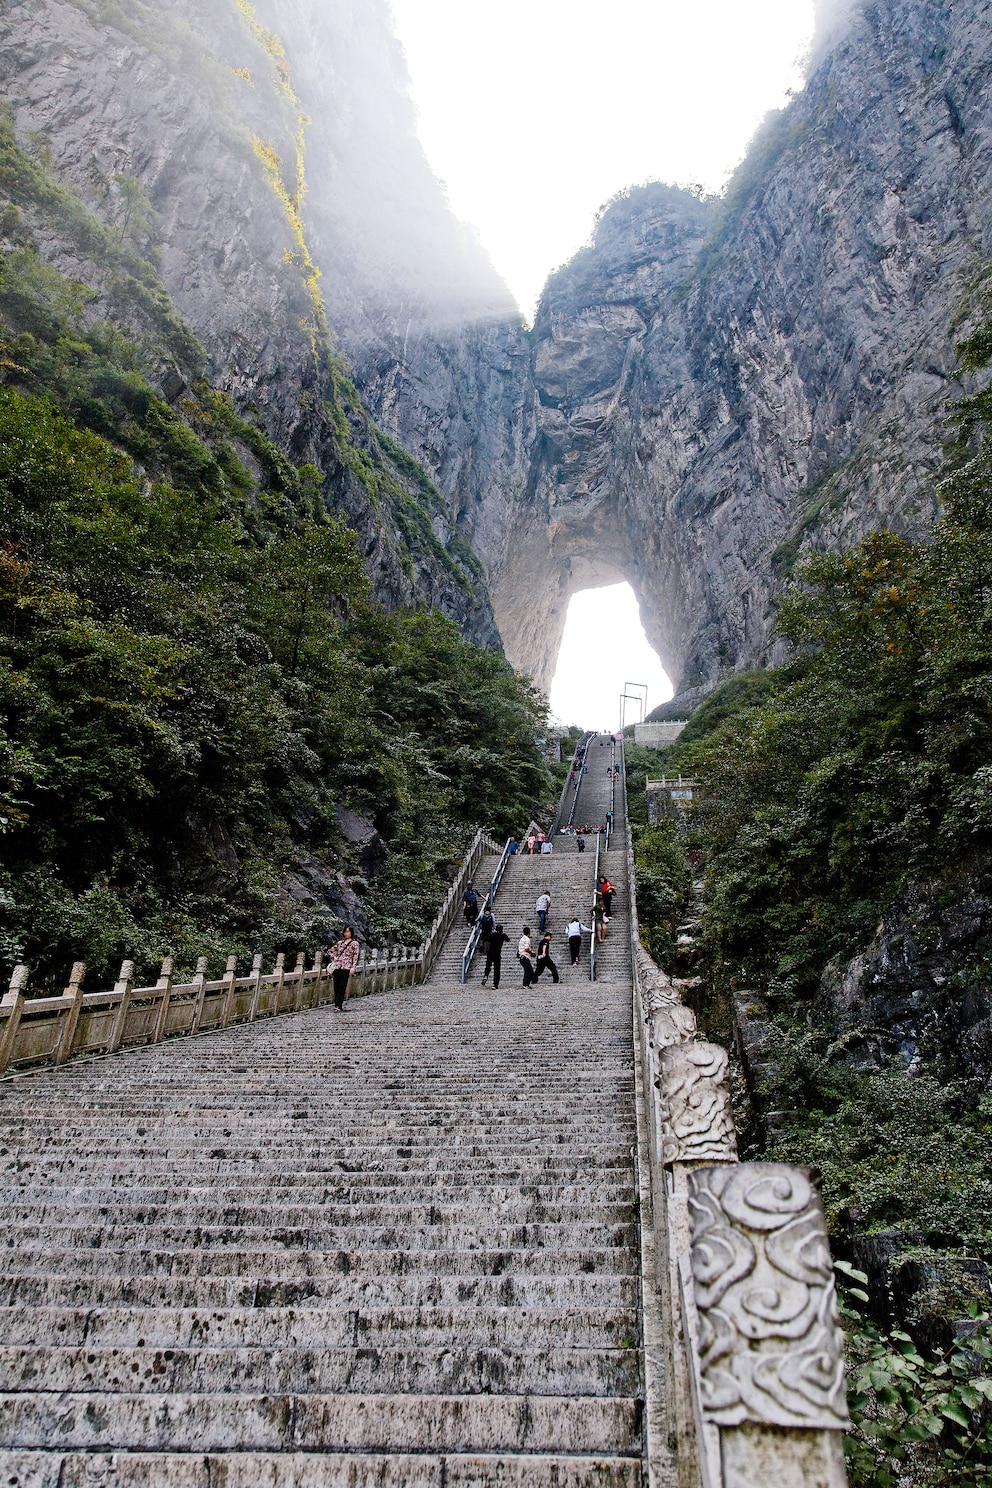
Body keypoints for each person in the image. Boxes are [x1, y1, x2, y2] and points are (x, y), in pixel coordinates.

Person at [327, 926, 360, 1011]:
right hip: (338, 966)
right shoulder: (340, 943)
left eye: (348, 932)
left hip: (346, 966)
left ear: (351, 933)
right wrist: (334, 957)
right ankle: (336, 1005)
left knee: (342, 986)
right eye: (345, 932)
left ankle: (339, 1005)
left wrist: (353, 967)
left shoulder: (354, 943)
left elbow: (355, 956)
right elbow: (330, 951)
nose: (346, 933)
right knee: (336, 986)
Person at [482, 923, 510, 987]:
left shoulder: (492, 935)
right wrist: (503, 933)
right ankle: (495, 984)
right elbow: (508, 939)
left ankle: (486, 975)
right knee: (497, 969)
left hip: (490, 953)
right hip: (497, 954)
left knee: (488, 966)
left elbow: (487, 938)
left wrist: (493, 932)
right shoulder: (502, 936)